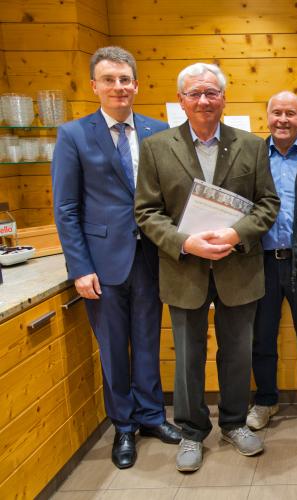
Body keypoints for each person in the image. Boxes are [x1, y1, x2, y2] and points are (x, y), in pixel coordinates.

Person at [134, 63, 280, 472]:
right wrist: (186, 242)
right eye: (195, 93)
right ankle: (192, 430)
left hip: (238, 266)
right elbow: (146, 211)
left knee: (236, 352)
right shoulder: (157, 148)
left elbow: (268, 203)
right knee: (188, 355)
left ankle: (234, 423)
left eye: (211, 93)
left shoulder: (252, 145)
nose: (203, 100)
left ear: (223, 98)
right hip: (184, 269)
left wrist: (236, 235)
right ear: (181, 100)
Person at [52, 46, 180, 470]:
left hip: (151, 257)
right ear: (94, 86)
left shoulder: (158, 131)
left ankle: (151, 416)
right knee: (112, 347)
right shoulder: (73, 135)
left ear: (136, 85)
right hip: (102, 262)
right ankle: (123, 426)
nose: (119, 87)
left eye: (125, 79)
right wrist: (80, 267)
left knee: (147, 340)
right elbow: (67, 208)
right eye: (109, 80)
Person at [246, 91, 297, 431]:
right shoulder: (250, 156)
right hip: (260, 262)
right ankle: (265, 400)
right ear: (267, 117)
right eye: (276, 112)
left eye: (290, 113)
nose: (283, 119)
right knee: (261, 337)